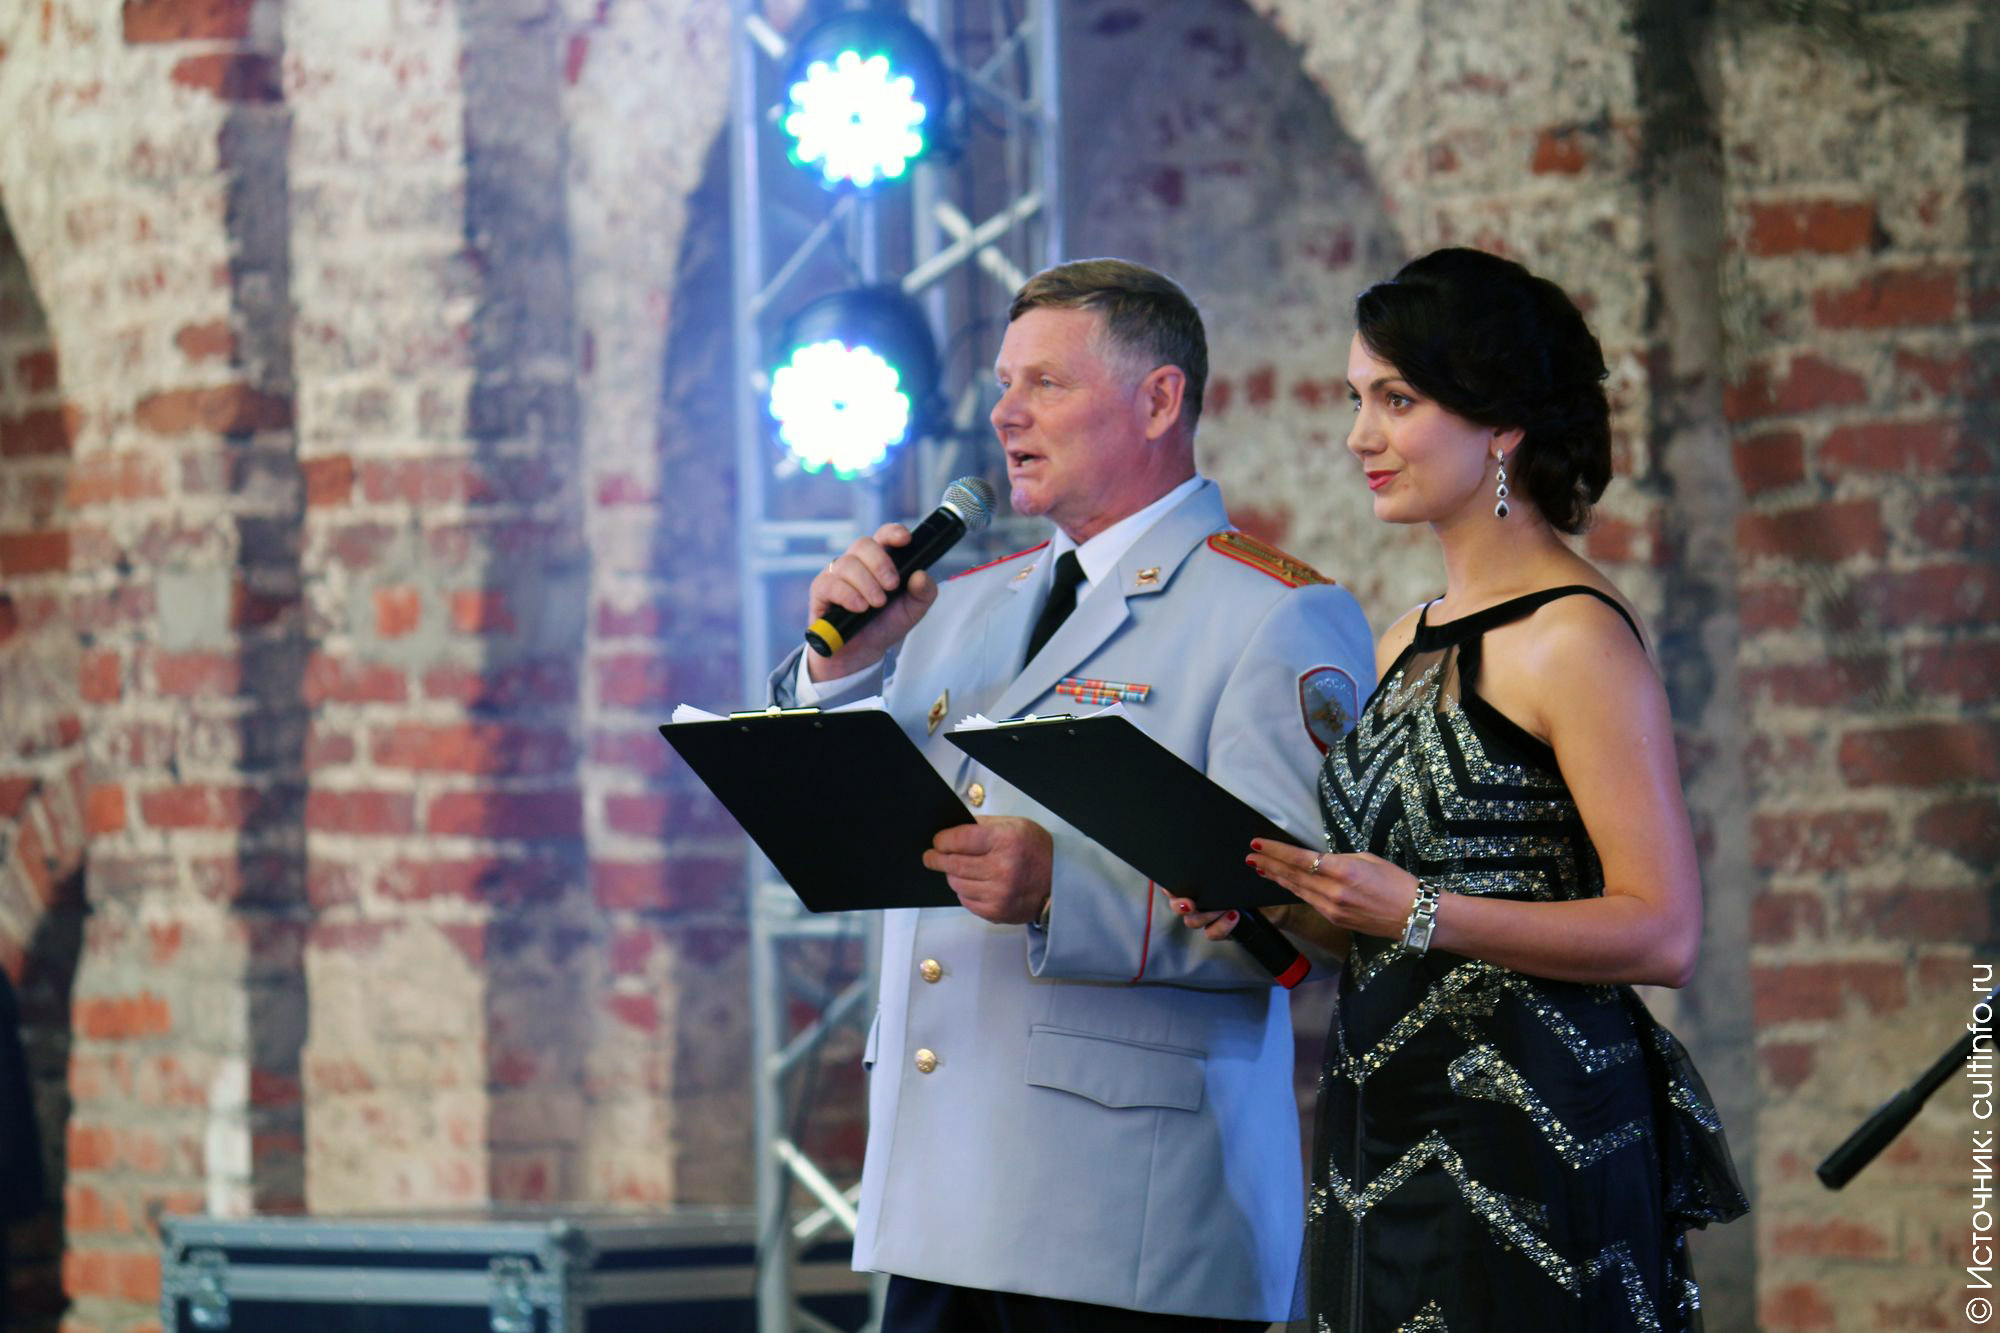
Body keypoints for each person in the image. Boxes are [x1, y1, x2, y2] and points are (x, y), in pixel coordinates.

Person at [768, 258, 1374, 1330]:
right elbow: (847, 822)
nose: (1005, 413)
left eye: (1045, 383)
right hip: (938, 1196)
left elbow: (1309, 925)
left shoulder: (1270, 613)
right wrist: (837, 672)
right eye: (1004, 383)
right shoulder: (956, 605)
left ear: (1158, 399)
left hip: (1127, 1214)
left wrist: (1062, 891)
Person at [1181, 247, 1748, 1330]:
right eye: (1357, 399)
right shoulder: (1405, 638)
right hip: (1376, 1126)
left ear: (1500, 425)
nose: (1360, 436)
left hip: (1534, 1135)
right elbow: (1388, 922)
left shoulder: (1574, 636)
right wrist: (1282, 904)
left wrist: (1417, 910)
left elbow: (1663, 929)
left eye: (1396, 400)